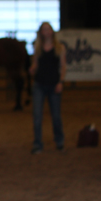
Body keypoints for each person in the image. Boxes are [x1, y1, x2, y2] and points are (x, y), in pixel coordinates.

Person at [29, 22, 67, 154]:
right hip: (39, 85)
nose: (46, 32)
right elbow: (35, 64)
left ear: (52, 31)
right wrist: (33, 69)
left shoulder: (60, 48)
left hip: (54, 85)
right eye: (44, 29)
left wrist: (60, 82)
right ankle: (37, 143)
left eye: (48, 29)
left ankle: (59, 140)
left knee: (56, 116)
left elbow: (63, 67)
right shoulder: (37, 47)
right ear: (41, 32)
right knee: (37, 116)